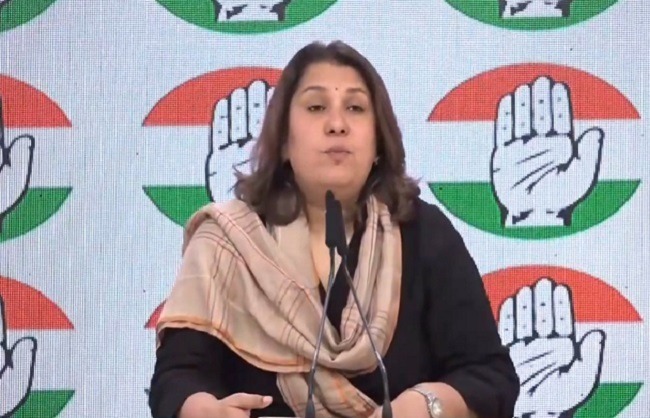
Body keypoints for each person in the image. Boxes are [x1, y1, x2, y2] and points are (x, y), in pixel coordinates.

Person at [148, 40, 519, 418]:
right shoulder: (227, 242)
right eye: (316, 107)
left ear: (378, 142)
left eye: (355, 108)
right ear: (284, 141)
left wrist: (426, 405)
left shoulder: (422, 234)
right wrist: (203, 410)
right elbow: (177, 379)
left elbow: (489, 377)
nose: (337, 124)